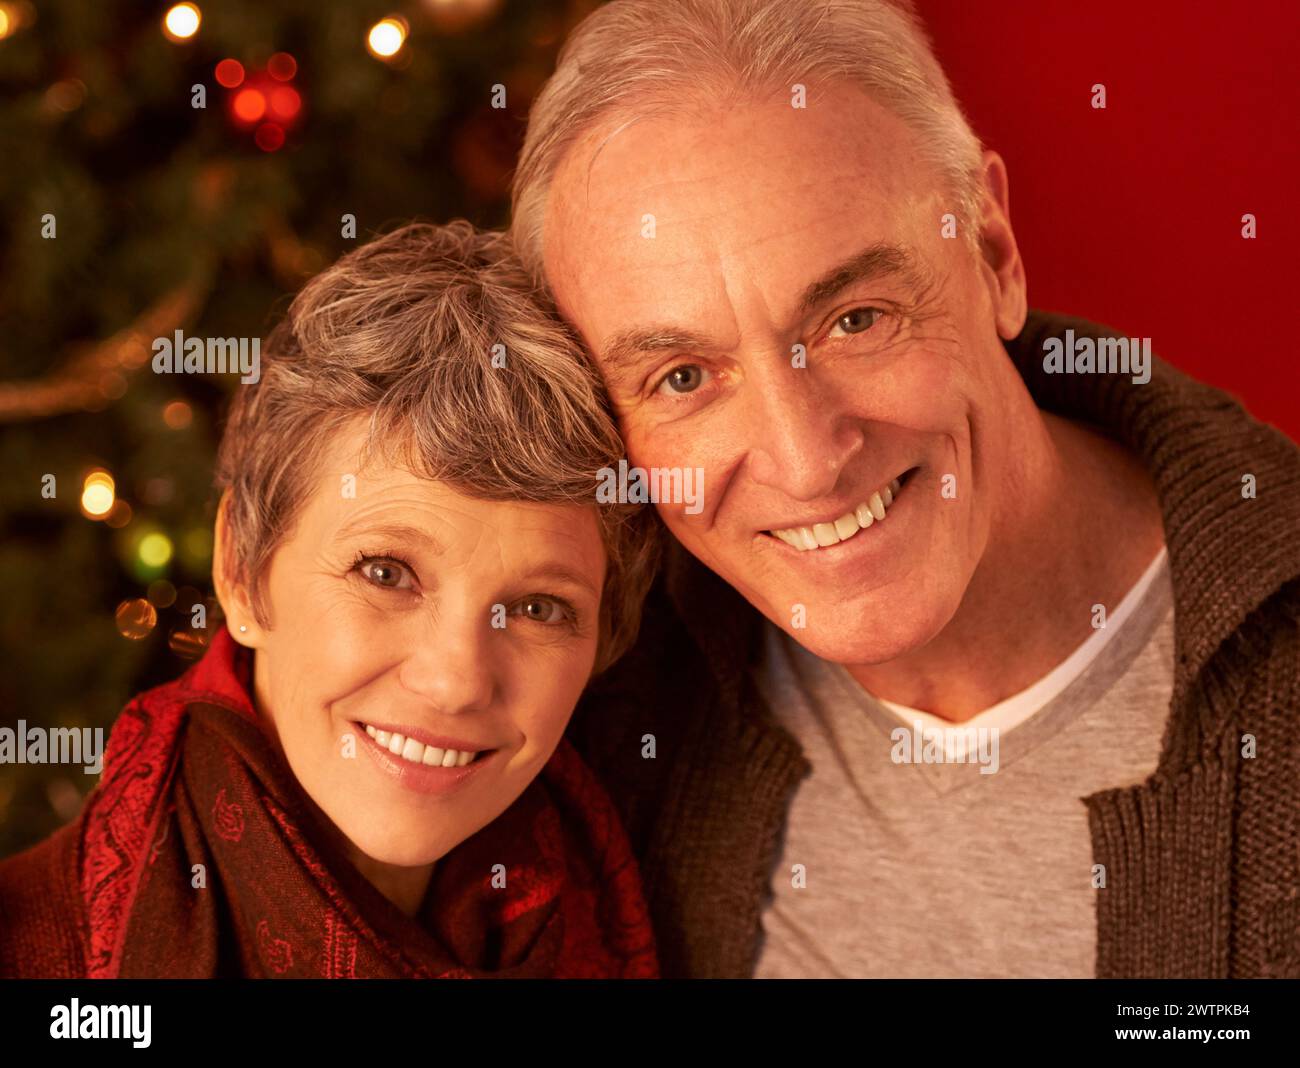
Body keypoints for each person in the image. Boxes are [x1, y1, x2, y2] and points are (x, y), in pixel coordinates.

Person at [508, 0, 1300, 978]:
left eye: (856, 319)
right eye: (682, 378)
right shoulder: (595, 692)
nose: (804, 461)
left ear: (994, 255)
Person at [0, 222, 660, 979]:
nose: (455, 679)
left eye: (541, 608)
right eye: (385, 573)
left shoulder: (640, 886)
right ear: (242, 569)